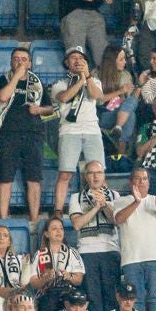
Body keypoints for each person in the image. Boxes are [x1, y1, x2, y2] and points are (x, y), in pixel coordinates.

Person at [0, 47, 57, 221]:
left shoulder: (37, 82)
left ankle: (34, 220)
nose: (20, 62)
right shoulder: (4, 79)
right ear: (11, 62)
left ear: (30, 63)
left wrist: (40, 110)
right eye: (16, 59)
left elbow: (50, 108)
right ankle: (3, 219)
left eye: (23, 59)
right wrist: (17, 76)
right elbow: (3, 97)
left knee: (34, 179)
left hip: (34, 134)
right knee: (5, 178)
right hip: (8, 134)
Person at [52, 47, 107, 217]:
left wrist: (87, 77)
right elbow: (64, 97)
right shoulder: (60, 83)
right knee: (65, 173)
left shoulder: (94, 81)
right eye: (73, 58)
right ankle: (58, 211)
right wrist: (80, 80)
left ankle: (103, 206)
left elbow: (97, 96)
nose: (77, 60)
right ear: (66, 63)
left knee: (98, 172)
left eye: (81, 58)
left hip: (92, 130)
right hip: (69, 131)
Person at [115, 167, 156, 311]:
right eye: (137, 178)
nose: (141, 182)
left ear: (149, 183)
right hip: (131, 260)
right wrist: (137, 201)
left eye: (144, 179)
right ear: (131, 182)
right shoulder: (122, 201)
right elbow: (118, 219)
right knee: (136, 300)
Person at [71, 161, 122, 311]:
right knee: (92, 297)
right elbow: (77, 224)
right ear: (86, 176)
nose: (95, 176)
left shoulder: (115, 195)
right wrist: (95, 208)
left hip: (110, 250)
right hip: (87, 251)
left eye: (98, 173)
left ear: (104, 176)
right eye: (91, 173)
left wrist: (105, 205)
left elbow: (117, 221)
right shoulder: (76, 197)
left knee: (111, 296)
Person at [27, 218, 86, 311]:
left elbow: (79, 280)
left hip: (68, 293)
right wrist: (45, 279)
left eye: (61, 228)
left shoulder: (72, 252)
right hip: (47, 294)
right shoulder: (39, 254)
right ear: (46, 234)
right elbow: (33, 283)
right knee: (48, 301)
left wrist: (69, 276)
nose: (59, 231)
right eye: (54, 228)